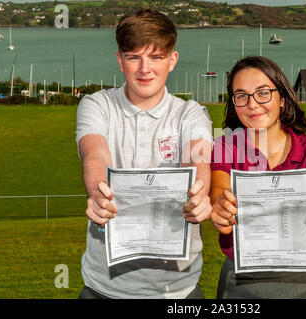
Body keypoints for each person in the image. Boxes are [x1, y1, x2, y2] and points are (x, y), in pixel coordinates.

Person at [75, 8, 213, 299]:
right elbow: (94, 154)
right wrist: (98, 192)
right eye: (134, 57)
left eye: (156, 57)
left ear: (172, 60)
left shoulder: (191, 113)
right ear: (119, 60)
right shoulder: (96, 105)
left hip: (178, 291)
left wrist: (199, 193)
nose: (144, 68)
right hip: (104, 288)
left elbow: (197, 158)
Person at [210, 56, 306, 299]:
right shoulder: (223, 147)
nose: (252, 104)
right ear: (234, 103)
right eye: (241, 95)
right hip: (241, 282)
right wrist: (220, 209)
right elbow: (219, 189)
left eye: (262, 93)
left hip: (305, 280)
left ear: (282, 98)